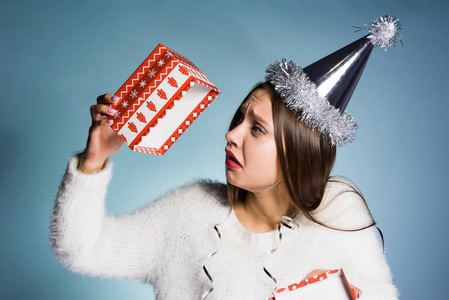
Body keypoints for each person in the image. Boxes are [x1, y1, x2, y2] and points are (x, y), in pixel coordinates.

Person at [51, 16, 400, 300]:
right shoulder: (190, 211)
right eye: (239, 119)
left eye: (257, 129)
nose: (231, 135)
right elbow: (82, 250)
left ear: (297, 153)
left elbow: (381, 292)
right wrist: (92, 160)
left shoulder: (339, 209)